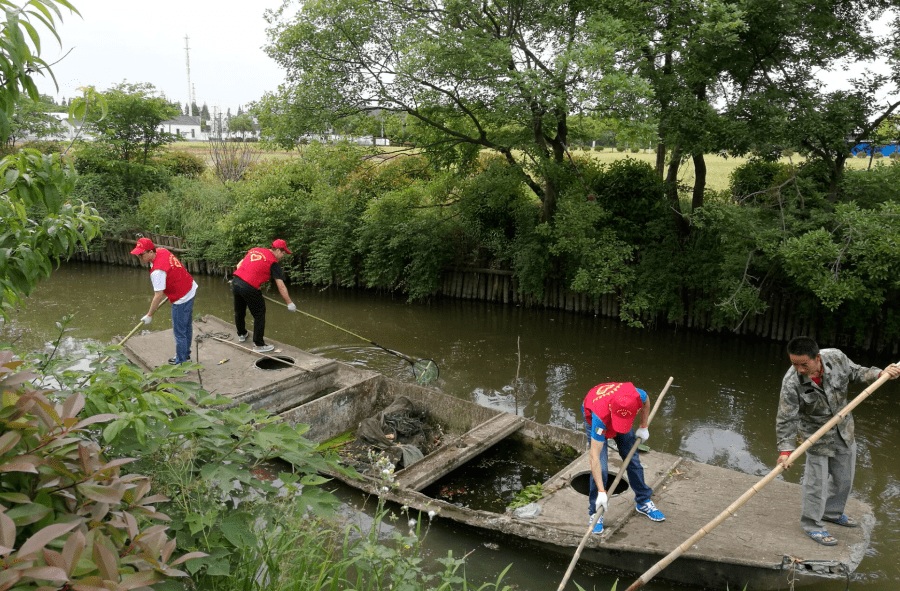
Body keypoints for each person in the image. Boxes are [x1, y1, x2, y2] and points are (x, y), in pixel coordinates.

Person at [776, 336, 900, 546]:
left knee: (845, 478)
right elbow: (786, 418)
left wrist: (881, 373)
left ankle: (832, 513)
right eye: (794, 364)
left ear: (817, 358)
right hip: (815, 434)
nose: (799, 369)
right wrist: (785, 452)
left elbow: (857, 372)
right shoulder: (791, 383)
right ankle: (812, 525)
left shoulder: (836, 357)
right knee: (816, 483)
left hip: (844, 428)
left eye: (804, 364)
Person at [582, 382, 665, 534]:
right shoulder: (599, 417)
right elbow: (594, 457)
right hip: (598, 412)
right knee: (602, 469)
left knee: (632, 459)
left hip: (618, 412)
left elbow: (646, 400)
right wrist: (602, 491)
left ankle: (643, 501)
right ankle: (595, 511)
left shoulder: (636, 395)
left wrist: (643, 425)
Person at [131, 237, 198, 364]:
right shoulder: (162, 251)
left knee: (179, 332)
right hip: (190, 287)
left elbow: (158, 295)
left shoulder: (157, 271)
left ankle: (182, 362)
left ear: (151, 252)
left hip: (182, 298)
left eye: (141, 254)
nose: (139, 257)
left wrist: (149, 314)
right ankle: (185, 355)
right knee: (186, 326)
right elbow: (174, 270)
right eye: (138, 255)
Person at [232, 239, 296, 353]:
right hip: (249, 287)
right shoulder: (273, 263)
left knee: (239, 311)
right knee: (259, 313)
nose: (283, 256)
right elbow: (281, 286)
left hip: (236, 281)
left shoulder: (255, 250)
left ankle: (242, 334)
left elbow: (239, 265)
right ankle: (259, 345)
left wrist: (248, 280)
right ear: (276, 250)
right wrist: (289, 302)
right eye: (283, 252)